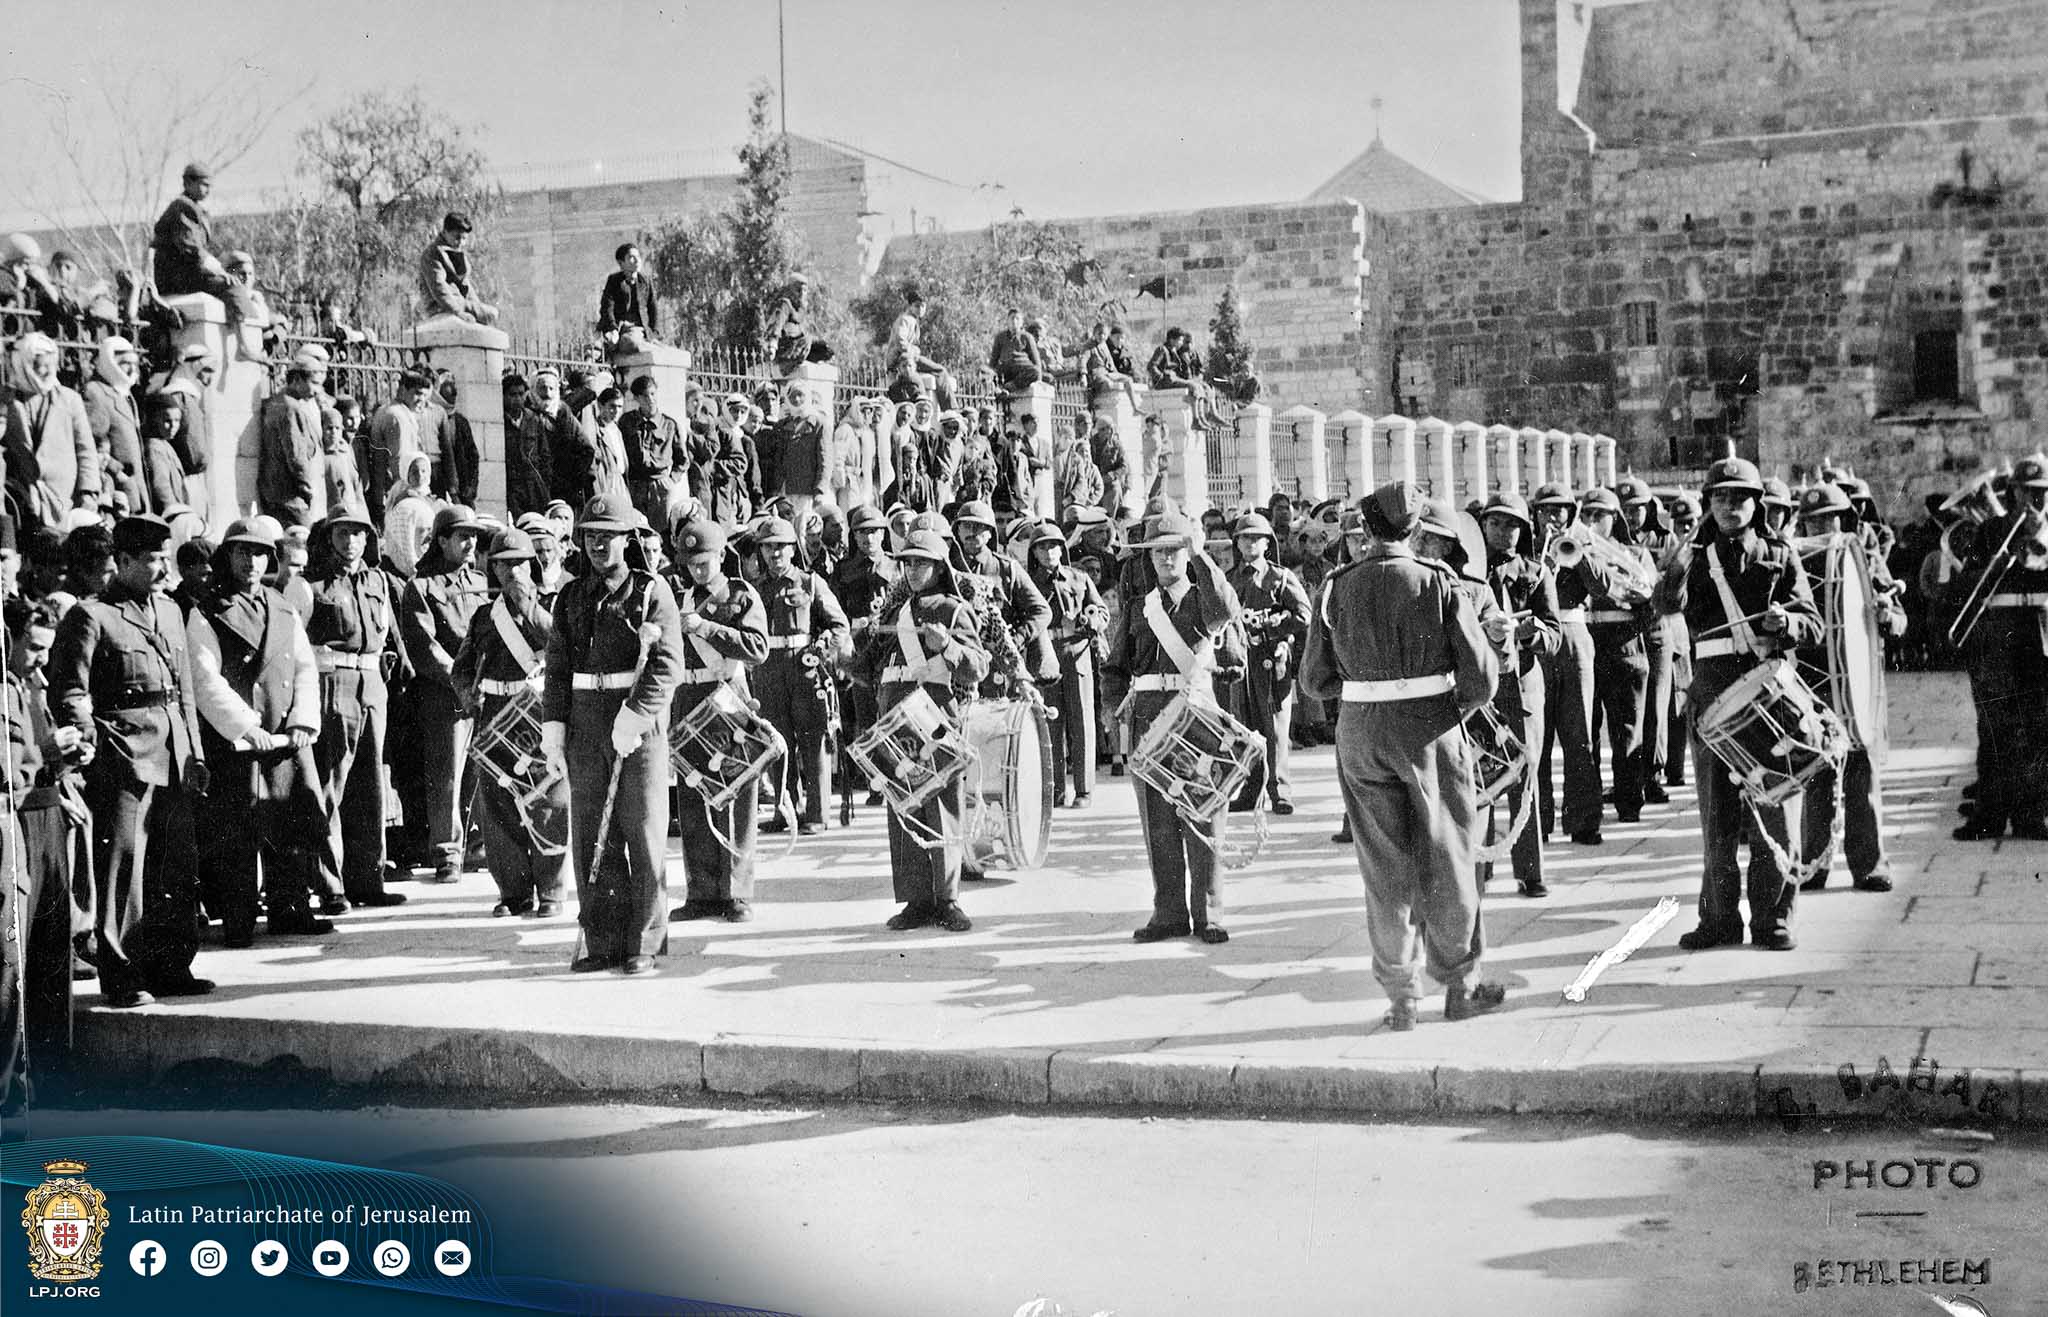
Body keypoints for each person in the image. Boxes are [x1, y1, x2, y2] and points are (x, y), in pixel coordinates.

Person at [1301, 482, 1502, 1029]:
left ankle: (1401, 998)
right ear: (1415, 529)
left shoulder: (1335, 586)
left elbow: (1314, 682)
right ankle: (1460, 985)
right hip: (1431, 730)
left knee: (1383, 867)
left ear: (1366, 529)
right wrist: (1444, 703)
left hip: (1361, 735)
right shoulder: (1438, 582)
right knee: (1448, 856)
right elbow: (1482, 678)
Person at [1654, 458, 1823, 951]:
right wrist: (1676, 570)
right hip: (1710, 693)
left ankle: (1773, 919)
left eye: (1740, 497)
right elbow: (1664, 607)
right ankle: (1719, 919)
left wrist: (1786, 624)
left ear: (1757, 504)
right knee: (1717, 816)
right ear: (1709, 503)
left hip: (1767, 692)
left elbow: (1810, 621)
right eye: (1721, 497)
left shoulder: (1778, 553)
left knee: (1772, 808)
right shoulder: (1693, 555)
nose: (1731, 506)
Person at [48, 514, 212, 1008]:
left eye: (165, 558)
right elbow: (71, 688)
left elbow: (183, 689)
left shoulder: (169, 611)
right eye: (152, 560)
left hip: (173, 751)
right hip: (123, 753)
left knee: (176, 865)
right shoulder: (91, 615)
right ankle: (123, 976)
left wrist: (196, 751)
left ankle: (172, 967)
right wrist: (94, 740)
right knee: (124, 867)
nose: (164, 569)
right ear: (122, 562)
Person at [540, 495, 684, 975]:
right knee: (590, 836)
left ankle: (643, 941)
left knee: (641, 833)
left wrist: (636, 716)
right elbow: (558, 667)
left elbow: (666, 665)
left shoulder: (651, 592)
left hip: (636, 727)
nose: (599, 544)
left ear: (629, 540)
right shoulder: (571, 596)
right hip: (584, 724)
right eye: (590, 535)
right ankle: (601, 939)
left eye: (609, 534)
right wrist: (553, 730)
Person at [187, 517, 333, 946]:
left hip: (285, 736)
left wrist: (304, 719)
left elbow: (303, 666)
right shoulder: (207, 610)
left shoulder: (282, 606)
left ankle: (291, 910)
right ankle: (238, 920)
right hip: (240, 741)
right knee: (237, 832)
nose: (251, 561)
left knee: (292, 823)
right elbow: (204, 676)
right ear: (226, 557)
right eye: (241, 552)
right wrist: (247, 727)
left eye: (259, 553)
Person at [1104, 511, 1242, 944]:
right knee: (1158, 821)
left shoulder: (1206, 601)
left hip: (1196, 716)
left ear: (1188, 553)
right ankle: (1168, 912)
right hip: (1148, 719)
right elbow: (1114, 668)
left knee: (1203, 815)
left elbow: (1229, 622)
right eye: (1159, 552)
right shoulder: (1137, 608)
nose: (1166, 559)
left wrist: (1202, 555)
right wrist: (1112, 709)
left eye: (1175, 550)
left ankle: (1209, 915)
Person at [851, 528, 988, 932]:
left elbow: (978, 666)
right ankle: (916, 899)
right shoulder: (894, 615)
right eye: (907, 562)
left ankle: (947, 899)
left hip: (936, 719)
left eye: (921, 562)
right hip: (895, 722)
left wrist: (947, 645)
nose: (912, 569)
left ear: (939, 567)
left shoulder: (954, 611)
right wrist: (841, 657)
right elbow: (866, 668)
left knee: (941, 808)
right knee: (903, 807)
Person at [452, 528, 568, 919]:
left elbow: (560, 646)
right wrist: (468, 694)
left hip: (538, 710)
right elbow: (462, 668)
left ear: (532, 565)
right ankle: (514, 892)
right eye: (504, 564)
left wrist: (529, 608)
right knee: (499, 806)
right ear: (493, 569)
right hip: (497, 711)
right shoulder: (485, 616)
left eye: (519, 562)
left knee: (548, 802)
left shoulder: (552, 605)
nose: (512, 571)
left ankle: (551, 891)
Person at [3, 594, 87, 1110]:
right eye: (32, 647)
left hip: (48, 810)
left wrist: (66, 766)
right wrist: (46, 753)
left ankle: (54, 1080)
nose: (41, 658)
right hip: (17, 819)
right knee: (16, 956)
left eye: (46, 649)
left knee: (53, 952)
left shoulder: (29, 682)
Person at [1792, 482, 1897, 891]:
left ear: (1843, 520)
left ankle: (1869, 864)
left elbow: (1897, 619)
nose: (1824, 525)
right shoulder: (1795, 560)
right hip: (1815, 685)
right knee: (1816, 777)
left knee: (1861, 778)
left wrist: (1887, 614)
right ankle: (1815, 865)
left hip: (1857, 684)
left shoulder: (1863, 558)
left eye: (1831, 518)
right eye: (1815, 519)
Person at [665, 518, 770, 921]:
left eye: (704, 561)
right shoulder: (679, 599)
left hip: (727, 698)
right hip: (689, 700)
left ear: (721, 557)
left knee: (737, 795)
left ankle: (736, 893)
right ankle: (701, 892)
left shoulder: (741, 596)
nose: (697, 569)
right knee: (693, 794)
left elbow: (758, 648)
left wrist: (706, 627)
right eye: (691, 563)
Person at [1949, 452, 2048, 840]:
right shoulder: (1991, 530)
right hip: (1997, 639)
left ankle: (2031, 816)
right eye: (2028, 493)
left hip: (2041, 637)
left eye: (2042, 494)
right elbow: (1965, 583)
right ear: (2014, 493)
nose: (2035, 502)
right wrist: (2001, 557)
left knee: (2039, 730)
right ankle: (1987, 817)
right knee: (1993, 729)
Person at [396, 505, 490, 882]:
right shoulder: (420, 587)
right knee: (446, 775)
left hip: (483, 690)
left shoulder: (481, 582)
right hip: (444, 696)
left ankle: (477, 845)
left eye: (473, 536)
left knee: (482, 770)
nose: (470, 543)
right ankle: (447, 852)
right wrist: (461, 680)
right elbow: (423, 645)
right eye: (461, 536)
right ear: (441, 541)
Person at [1478, 493, 1562, 898]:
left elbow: (1555, 633)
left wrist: (1528, 632)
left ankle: (1530, 871)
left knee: (1525, 775)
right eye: (1495, 523)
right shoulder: (1469, 574)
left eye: (1511, 525)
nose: (1503, 531)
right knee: (1480, 776)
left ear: (1523, 529)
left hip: (1523, 684)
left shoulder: (1536, 572)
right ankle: (1481, 864)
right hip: (1481, 686)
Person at [753, 516, 850, 835]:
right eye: (768, 547)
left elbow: (840, 625)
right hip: (769, 673)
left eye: (780, 547)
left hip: (804, 671)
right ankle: (785, 811)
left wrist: (824, 647)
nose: (774, 553)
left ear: (792, 549)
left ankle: (818, 815)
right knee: (778, 743)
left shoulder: (810, 583)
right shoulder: (755, 590)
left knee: (813, 742)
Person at [1530, 481, 1608, 845]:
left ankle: (1584, 820)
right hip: (1538, 640)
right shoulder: (1527, 549)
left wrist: (1578, 554)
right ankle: (1539, 821)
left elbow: (1604, 588)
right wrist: (1538, 567)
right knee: (1539, 737)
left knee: (1580, 734)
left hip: (1575, 635)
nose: (1553, 516)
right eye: (1546, 510)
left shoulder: (1581, 544)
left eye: (1560, 510)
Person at [1578, 486, 1656, 825]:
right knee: (1586, 731)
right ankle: (1590, 804)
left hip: (1624, 647)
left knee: (1626, 730)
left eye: (1601, 516)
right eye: (1588, 515)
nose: (1593, 522)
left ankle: (1628, 802)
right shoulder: (1573, 552)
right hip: (1587, 646)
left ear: (1615, 519)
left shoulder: (1635, 555)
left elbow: (1650, 603)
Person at [1225, 512, 1311, 815]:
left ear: (1267, 543)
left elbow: (1304, 615)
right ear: (1236, 543)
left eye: (1256, 538)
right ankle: (1251, 790)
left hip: (1270, 662)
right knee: (1245, 729)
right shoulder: (1229, 579)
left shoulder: (1280, 577)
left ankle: (1280, 791)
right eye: (1244, 538)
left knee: (1274, 729)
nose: (1250, 543)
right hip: (1240, 663)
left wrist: (1273, 626)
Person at [1027, 522, 1107, 808]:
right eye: (1041, 547)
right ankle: (1055, 788)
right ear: (1034, 552)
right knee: (1051, 722)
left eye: (1053, 545)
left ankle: (1084, 790)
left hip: (1076, 651)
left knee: (1082, 721)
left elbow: (1102, 611)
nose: (1048, 552)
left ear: (1062, 548)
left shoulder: (1079, 578)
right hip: (1045, 654)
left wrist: (1089, 622)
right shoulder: (1029, 582)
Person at [1615, 477, 1677, 802]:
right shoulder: (1611, 540)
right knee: (1628, 710)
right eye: (1625, 509)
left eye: (1638, 509)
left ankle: (1652, 775)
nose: (1632, 515)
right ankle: (1627, 777)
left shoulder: (1666, 540)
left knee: (1656, 703)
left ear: (1649, 509)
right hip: (1624, 631)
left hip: (1655, 630)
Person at [5, 332, 100, 529]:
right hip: (24, 498)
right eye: (39, 364)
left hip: (64, 497)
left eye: (50, 364)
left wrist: (88, 491)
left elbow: (86, 449)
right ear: (23, 364)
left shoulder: (69, 399)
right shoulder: (7, 401)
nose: (46, 370)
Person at [257, 362, 326, 530]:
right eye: (314, 383)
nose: (317, 391)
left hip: (274, 492)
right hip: (291, 496)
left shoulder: (277, 401)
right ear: (296, 379)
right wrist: (307, 488)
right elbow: (297, 456)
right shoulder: (291, 408)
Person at [82, 338, 146, 516]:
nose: (131, 369)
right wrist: (117, 470)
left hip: (136, 485)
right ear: (109, 361)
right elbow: (92, 443)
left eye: (134, 363)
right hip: (117, 487)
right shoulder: (95, 392)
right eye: (125, 363)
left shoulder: (124, 393)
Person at [619, 375, 686, 533]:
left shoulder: (669, 424)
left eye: (653, 394)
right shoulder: (627, 422)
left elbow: (682, 460)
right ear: (636, 398)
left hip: (660, 485)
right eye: (644, 395)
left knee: (662, 531)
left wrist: (670, 481)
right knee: (636, 529)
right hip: (635, 485)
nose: (650, 399)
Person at [418, 212, 497, 324]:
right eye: (457, 237)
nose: (460, 242)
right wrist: (458, 312)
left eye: (464, 238)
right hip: (440, 305)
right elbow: (438, 287)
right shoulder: (433, 253)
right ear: (445, 232)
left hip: (460, 301)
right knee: (490, 314)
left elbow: (466, 287)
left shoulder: (456, 252)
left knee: (490, 314)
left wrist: (478, 308)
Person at [885, 291, 956, 411]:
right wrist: (914, 350)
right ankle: (950, 409)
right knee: (940, 370)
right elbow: (900, 341)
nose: (920, 309)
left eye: (923, 306)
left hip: (908, 357)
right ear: (910, 306)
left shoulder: (913, 320)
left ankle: (946, 408)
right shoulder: (906, 319)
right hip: (903, 358)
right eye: (917, 306)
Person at [426, 372, 479, 508]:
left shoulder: (460, 421)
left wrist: (471, 487)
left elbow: (473, 456)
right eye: (448, 387)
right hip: (437, 484)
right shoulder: (429, 418)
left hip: (461, 489)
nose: (453, 392)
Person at [598, 242, 659, 352]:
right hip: (619, 327)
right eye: (631, 257)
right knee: (599, 345)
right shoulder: (614, 281)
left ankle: (651, 346)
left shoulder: (645, 282)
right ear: (621, 263)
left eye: (638, 256)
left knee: (632, 342)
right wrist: (613, 329)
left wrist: (654, 333)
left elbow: (653, 308)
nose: (637, 260)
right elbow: (608, 306)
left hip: (638, 328)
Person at [987, 307, 1046, 395]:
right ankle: (998, 388)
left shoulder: (1027, 337)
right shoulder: (1000, 337)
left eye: (1017, 318)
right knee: (986, 373)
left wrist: (1038, 379)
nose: (1014, 321)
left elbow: (1036, 362)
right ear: (1007, 321)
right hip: (1005, 369)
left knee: (1035, 372)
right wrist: (990, 375)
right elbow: (993, 360)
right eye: (1012, 318)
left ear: (1021, 322)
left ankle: (1008, 387)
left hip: (1021, 371)